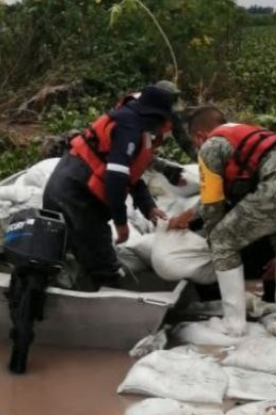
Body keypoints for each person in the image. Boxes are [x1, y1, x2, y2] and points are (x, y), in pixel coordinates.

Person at [169, 108, 276, 335]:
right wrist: (187, 216)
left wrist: (214, 245)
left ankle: (234, 323)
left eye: (196, 143)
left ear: (200, 135)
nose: (198, 148)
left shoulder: (211, 145)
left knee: (222, 238)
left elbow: (212, 207)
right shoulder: (250, 134)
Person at [43, 83, 179, 290]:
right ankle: (106, 311)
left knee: (84, 253)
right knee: (103, 264)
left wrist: (148, 207)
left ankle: (80, 293)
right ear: (157, 117)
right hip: (75, 195)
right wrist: (121, 223)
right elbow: (116, 179)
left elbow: (132, 176)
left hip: (72, 190)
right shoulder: (128, 127)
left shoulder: (137, 124)